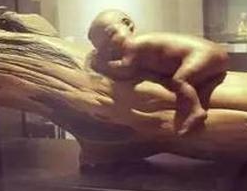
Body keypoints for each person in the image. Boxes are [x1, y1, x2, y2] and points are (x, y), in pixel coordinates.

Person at [88, 9, 229, 135]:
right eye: (103, 47)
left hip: (205, 53)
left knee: (180, 80)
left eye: (111, 35)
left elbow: (126, 70)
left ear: (128, 24)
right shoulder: (141, 46)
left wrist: (102, 65)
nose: (109, 46)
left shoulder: (134, 43)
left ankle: (195, 110)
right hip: (211, 54)